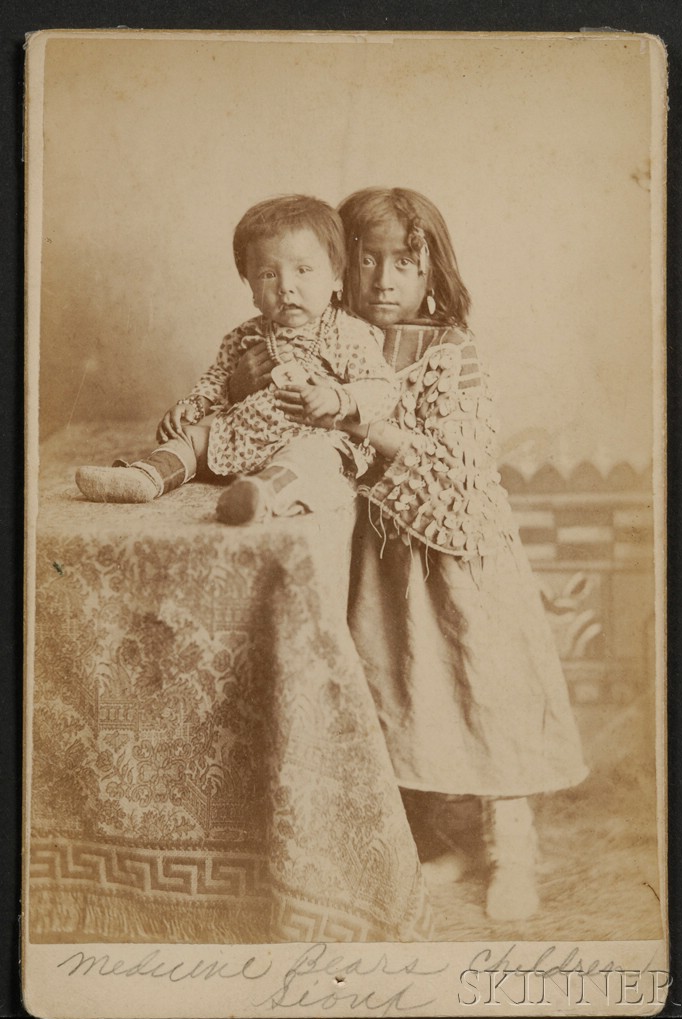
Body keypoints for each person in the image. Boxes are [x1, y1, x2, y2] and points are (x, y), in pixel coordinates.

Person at [271, 187, 589, 921]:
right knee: (399, 696)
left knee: (486, 695)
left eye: (405, 263)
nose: (385, 280)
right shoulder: (333, 340)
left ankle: (512, 850)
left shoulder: (452, 352)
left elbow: (460, 466)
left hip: (458, 557)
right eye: (367, 259)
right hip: (380, 564)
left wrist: (357, 420)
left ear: (432, 270)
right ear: (341, 265)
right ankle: (441, 835)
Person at [75, 194, 398, 524]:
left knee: (310, 461)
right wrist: (196, 402)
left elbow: (384, 388)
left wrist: (337, 398)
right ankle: (145, 478)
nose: (287, 287)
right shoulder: (245, 335)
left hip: (313, 434)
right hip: (243, 432)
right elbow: (218, 376)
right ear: (250, 286)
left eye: (303, 270)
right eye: (268, 274)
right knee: (193, 436)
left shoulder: (347, 333)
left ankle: (261, 495)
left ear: (337, 278)